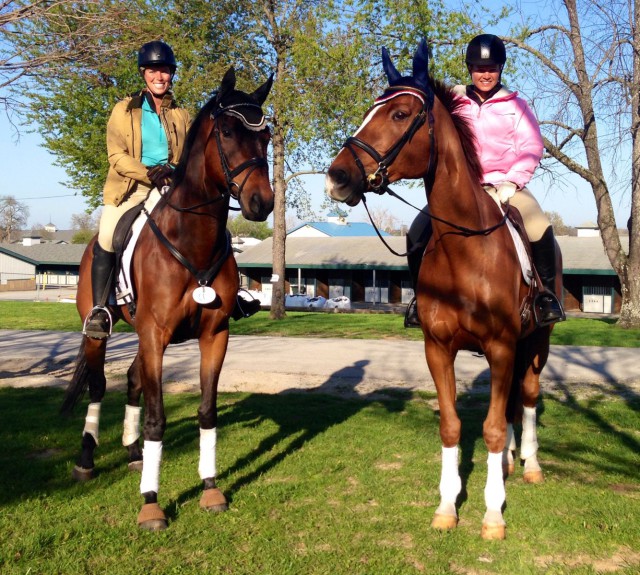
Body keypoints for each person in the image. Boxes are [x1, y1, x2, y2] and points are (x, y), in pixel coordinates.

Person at [83, 40, 258, 339]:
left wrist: (173, 172)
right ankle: (101, 308)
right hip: (132, 188)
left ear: (171, 74)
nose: (159, 77)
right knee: (109, 235)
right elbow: (117, 155)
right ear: (143, 74)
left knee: (214, 228)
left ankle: (234, 296)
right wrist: (149, 173)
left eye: (164, 71)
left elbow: (188, 156)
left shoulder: (181, 114)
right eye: (153, 71)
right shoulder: (124, 110)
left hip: (171, 185)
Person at [405, 33, 565, 328]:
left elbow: (532, 147)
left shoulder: (517, 106)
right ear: (470, 69)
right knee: (416, 232)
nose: (485, 74)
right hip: (461, 190)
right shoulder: (454, 100)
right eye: (479, 68)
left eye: (491, 68)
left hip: (506, 188)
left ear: (501, 68)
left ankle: (545, 298)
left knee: (539, 226)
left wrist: (513, 182)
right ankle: (420, 299)